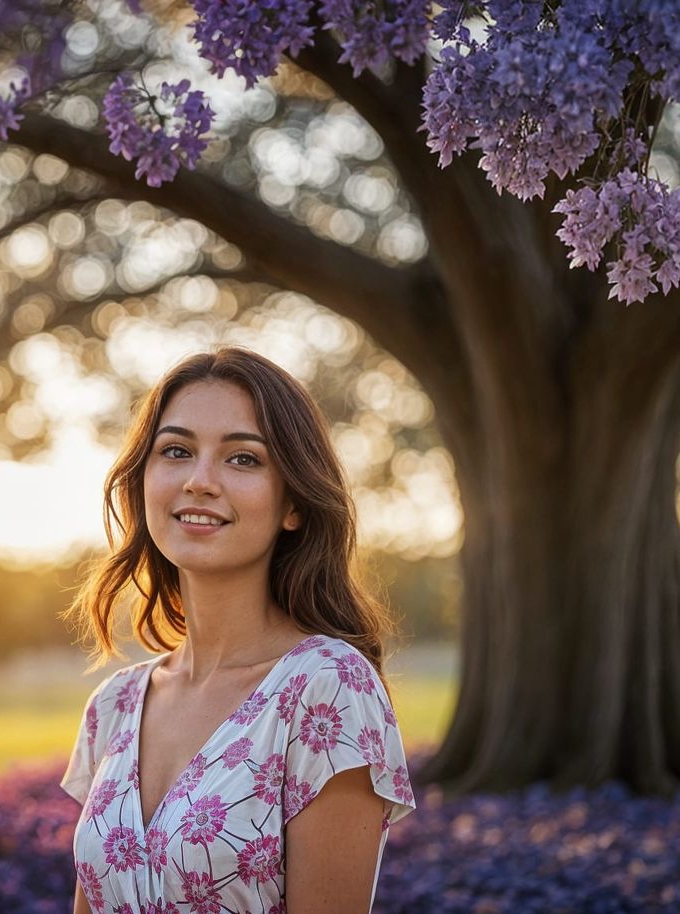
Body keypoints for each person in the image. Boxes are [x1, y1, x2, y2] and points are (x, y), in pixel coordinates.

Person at [60, 345, 416, 914]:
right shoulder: (114, 705)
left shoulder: (327, 690)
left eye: (243, 459)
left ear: (292, 504)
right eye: (176, 450)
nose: (199, 481)